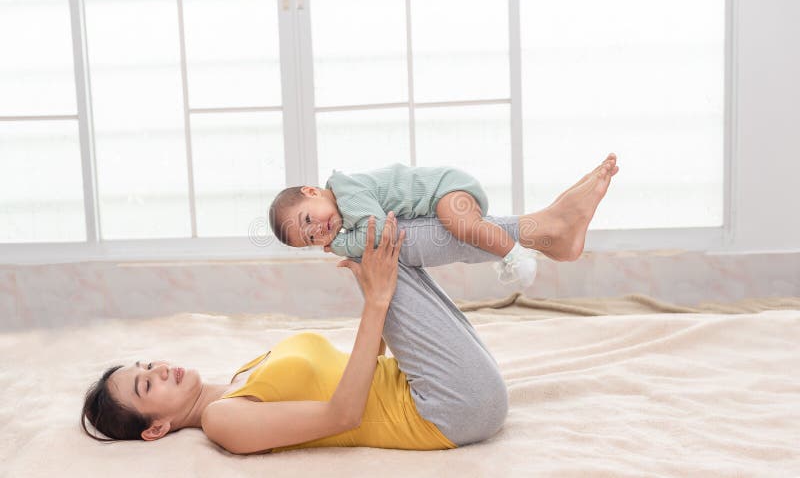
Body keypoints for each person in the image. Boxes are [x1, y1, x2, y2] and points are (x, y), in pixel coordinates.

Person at [81, 153, 619, 454]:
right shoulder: (223, 421)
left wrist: (378, 297)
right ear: (155, 429)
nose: (159, 369)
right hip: (449, 411)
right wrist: (377, 299)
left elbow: (364, 366)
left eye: (147, 364)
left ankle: (543, 230)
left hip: (429, 382)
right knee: (379, 244)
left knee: (380, 240)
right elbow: (343, 413)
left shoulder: (244, 373)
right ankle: (540, 229)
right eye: (146, 385)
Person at [268, 163, 540, 286]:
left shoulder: (346, 194)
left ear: (312, 191)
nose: (316, 230)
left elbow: (377, 234)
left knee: (461, 226)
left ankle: (516, 254)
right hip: (443, 193)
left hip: (447, 189)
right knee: (463, 234)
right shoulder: (344, 205)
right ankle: (503, 257)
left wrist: (340, 244)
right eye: (310, 239)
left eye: (307, 219)